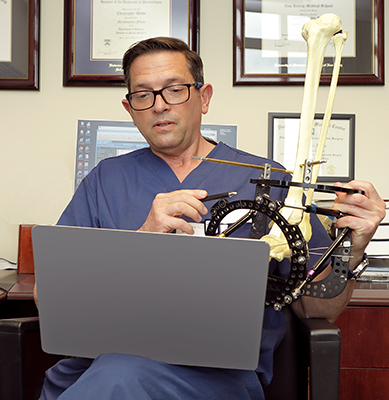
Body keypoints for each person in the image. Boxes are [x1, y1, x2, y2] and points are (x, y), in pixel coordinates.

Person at [36, 37, 385, 400]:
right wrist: (144, 237)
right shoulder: (104, 180)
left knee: (122, 377)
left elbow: (316, 307)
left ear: (203, 97)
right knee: (115, 373)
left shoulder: (270, 181)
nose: (159, 106)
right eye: (143, 95)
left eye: (174, 90)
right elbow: (51, 299)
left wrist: (353, 250)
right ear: (129, 108)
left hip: (215, 377)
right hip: (97, 364)